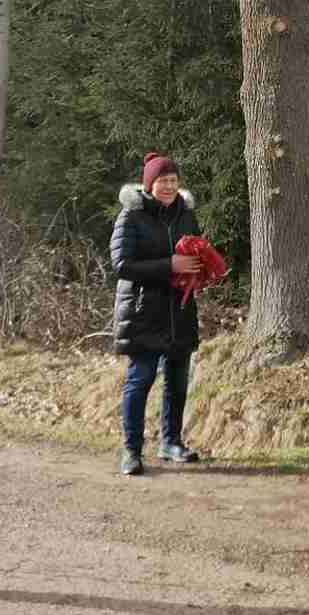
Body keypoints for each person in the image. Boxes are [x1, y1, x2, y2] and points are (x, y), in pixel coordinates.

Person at [111, 153, 206, 476]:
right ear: (149, 184)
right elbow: (121, 265)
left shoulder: (186, 214)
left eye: (173, 180)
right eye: (162, 181)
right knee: (140, 379)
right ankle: (131, 451)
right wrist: (170, 265)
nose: (168, 186)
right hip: (142, 311)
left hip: (180, 309)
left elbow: (196, 249)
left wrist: (202, 267)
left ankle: (171, 443)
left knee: (177, 381)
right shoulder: (131, 215)